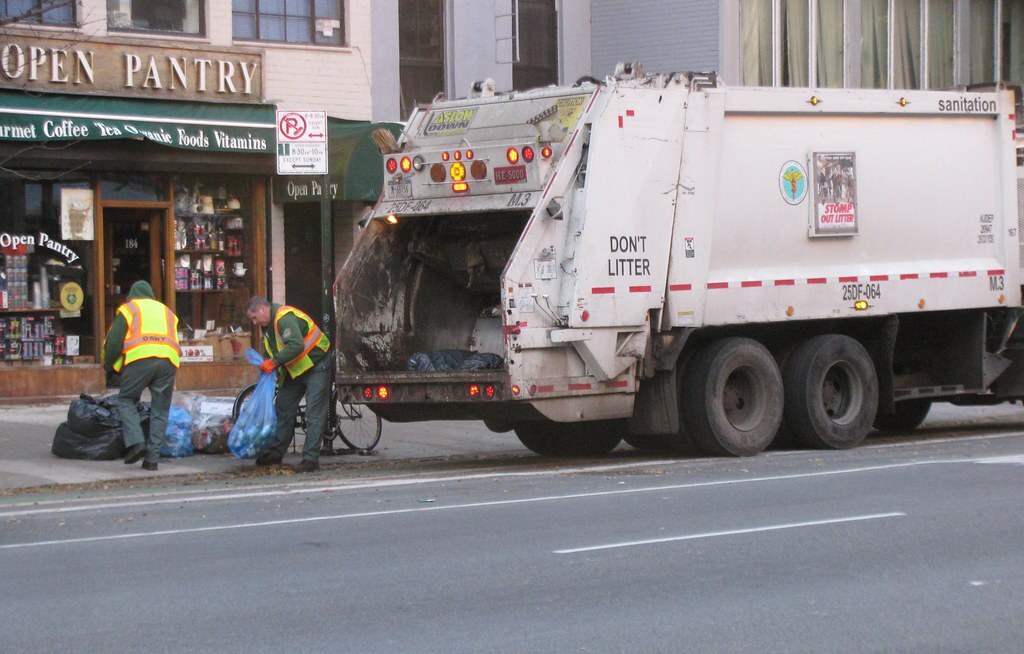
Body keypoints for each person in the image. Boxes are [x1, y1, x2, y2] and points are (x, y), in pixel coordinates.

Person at [245, 296, 331, 473]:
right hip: (297, 370)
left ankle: (310, 459)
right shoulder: (267, 329)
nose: (254, 322)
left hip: (317, 364)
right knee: (283, 408)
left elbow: (296, 346)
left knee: (314, 413)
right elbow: (271, 351)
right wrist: (272, 367)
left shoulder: (284, 318)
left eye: (254, 317)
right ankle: (275, 454)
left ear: (262, 309)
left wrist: (274, 363)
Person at [102, 280, 181, 471]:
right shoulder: (167, 311)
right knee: (160, 410)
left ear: (132, 295)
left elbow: (114, 342)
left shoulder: (129, 309)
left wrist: (108, 366)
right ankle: (152, 460)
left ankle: (136, 442)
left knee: (126, 399)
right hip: (168, 361)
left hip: (140, 359)